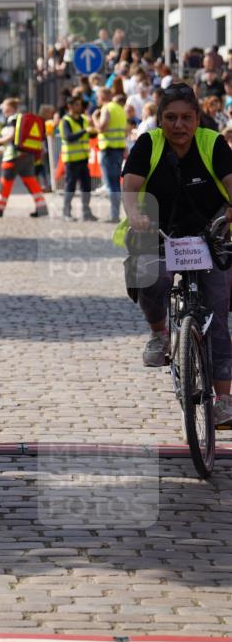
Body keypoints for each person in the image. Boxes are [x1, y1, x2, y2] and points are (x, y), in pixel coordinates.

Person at [118, 83, 232, 427]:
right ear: (160, 119)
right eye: (170, 118)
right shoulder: (148, 144)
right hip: (158, 231)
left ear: (198, 119)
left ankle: (224, 401)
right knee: (151, 275)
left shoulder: (213, 143)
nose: (178, 125)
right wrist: (136, 215)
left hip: (209, 234)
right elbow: (130, 187)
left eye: (186, 118)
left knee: (217, 317)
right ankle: (159, 334)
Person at [0, 97, 48, 218]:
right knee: (31, 182)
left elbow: (11, 137)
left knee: (6, 183)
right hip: (27, 155)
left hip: (13, 158)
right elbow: (14, 140)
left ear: (11, 108)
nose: (3, 109)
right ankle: (42, 207)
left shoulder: (13, 119)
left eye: (4, 107)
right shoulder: (21, 119)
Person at [58, 95, 97, 221]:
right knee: (70, 186)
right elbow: (69, 137)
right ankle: (66, 212)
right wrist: (85, 131)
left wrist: (93, 131)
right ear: (69, 106)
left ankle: (86, 212)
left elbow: (90, 136)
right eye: (76, 105)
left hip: (84, 158)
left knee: (86, 187)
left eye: (80, 104)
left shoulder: (84, 119)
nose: (79, 107)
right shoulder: (65, 121)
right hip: (71, 159)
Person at [93, 88, 127, 223]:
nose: (97, 99)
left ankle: (114, 215)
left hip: (108, 150)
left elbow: (102, 127)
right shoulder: (119, 108)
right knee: (116, 184)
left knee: (111, 184)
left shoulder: (106, 108)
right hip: (118, 149)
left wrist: (95, 118)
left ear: (102, 96)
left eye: (98, 97)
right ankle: (116, 213)